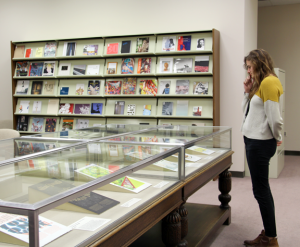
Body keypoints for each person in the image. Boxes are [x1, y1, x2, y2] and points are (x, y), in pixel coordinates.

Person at [242, 49, 283, 247]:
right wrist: (247, 91)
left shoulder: (269, 82)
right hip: (252, 140)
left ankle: (271, 239)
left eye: (250, 67)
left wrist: (278, 136)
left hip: (259, 144)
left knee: (261, 191)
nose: (248, 71)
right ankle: (269, 233)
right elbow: (247, 114)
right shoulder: (259, 83)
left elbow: (275, 117)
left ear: (259, 63)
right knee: (261, 189)